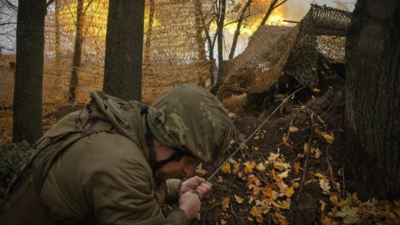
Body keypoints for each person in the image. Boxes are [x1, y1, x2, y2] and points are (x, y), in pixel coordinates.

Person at [0, 84, 234, 225]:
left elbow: (137, 185)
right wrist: (183, 213)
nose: (189, 171)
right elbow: (127, 181)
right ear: (165, 141)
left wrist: (177, 189)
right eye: (189, 161)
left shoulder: (125, 123)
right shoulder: (120, 166)